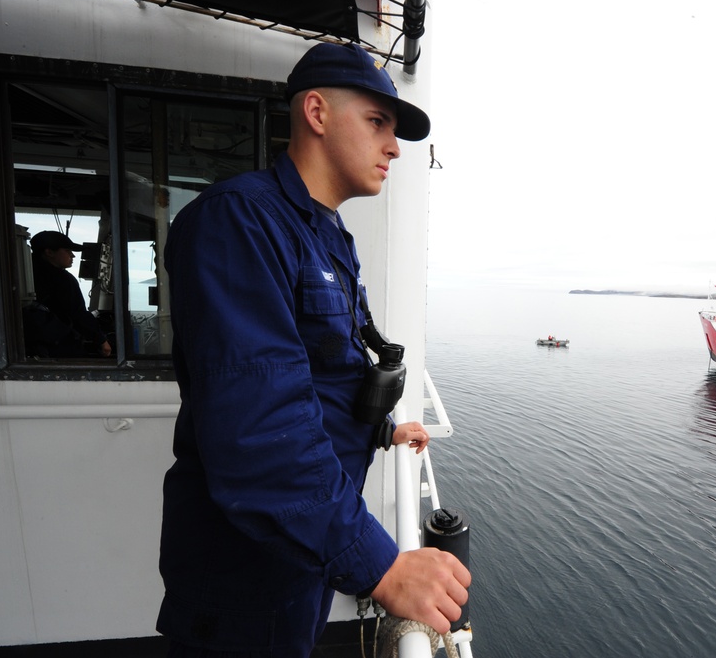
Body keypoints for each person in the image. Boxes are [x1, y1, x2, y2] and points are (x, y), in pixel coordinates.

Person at [157, 42, 470, 657]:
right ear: (318, 113)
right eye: (378, 122)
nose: (394, 148)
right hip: (245, 563)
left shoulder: (327, 233)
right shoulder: (238, 223)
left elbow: (326, 373)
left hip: (304, 544)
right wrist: (381, 567)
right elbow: (258, 428)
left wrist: (382, 430)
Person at [25, 230, 111, 358]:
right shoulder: (62, 279)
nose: (73, 255)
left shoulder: (25, 274)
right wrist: (101, 340)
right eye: (67, 251)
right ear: (49, 252)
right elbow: (78, 314)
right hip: (57, 346)